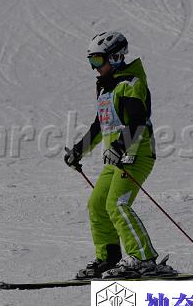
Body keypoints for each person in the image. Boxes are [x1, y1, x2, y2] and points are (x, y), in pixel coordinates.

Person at [64, 31, 176, 279]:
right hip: (116, 158)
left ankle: (144, 259)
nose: (95, 67)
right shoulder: (106, 88)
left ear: (115, 57)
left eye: (98, 60)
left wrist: (119, 147)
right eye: (91, 61)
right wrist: (78, 151)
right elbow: (99, 126)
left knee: (117, 204)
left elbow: (137, 121)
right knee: (97, 205)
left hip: (136, 155)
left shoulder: (131, 84)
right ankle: (108, 258)